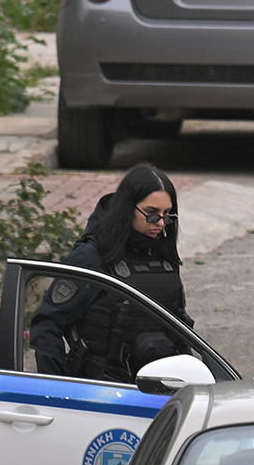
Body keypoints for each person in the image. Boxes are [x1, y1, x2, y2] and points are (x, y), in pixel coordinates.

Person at [29, 164, 194, 382]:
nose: (161, 223)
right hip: (99, 392)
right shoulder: (91, 257)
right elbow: (48, 325)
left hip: (157, 389)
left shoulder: (162, 257)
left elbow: (180, 329)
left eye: (167, 215)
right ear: (128, 208)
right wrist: (54, 391)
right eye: (152, 214)